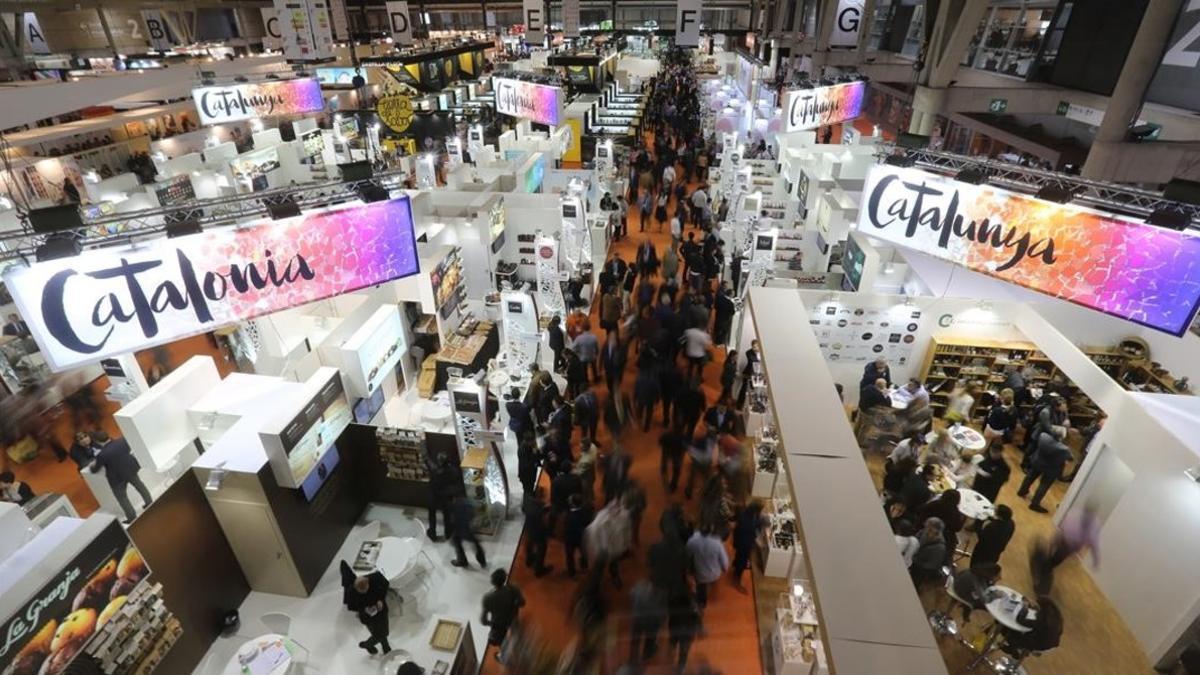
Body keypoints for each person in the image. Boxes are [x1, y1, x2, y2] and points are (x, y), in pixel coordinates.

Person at [1030, 504, 1100, 595]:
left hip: (1066, 546)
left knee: (1052, 561)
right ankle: (1041, 577)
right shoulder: (1081, 518)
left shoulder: (1088, 522)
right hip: (1064, 543)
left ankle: (1041, 573)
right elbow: (1093, 543)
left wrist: (1096, 560)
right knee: (1051, 562)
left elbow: (1093, 543)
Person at [89, 432, 153, 524]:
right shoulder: (122, 441)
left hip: (116, 478)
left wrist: (92, 466)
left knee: (122, 498)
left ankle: (132, 517)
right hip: (130, 469)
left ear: (98, 442)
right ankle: (149, 503)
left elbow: (95, 470)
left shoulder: (102, 454)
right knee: (139, 485)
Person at [1018, 427, 1073, 513]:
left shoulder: (1043, 436)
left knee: (1030, 477)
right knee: (1043, 486)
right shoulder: (1064, 449)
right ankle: (1034, 504)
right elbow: (1070, 458)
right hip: (1050, 468)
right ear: (1062, 437)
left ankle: (1022, 491)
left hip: (1038, 462)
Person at [686, 525, 728, 610]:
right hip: (714, 574)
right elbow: (725, 563)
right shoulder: (717, 543)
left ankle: (701, 603)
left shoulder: (692, 540)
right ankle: (711, 588)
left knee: (701, 588)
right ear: (711, 530)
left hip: (700, 575)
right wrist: (724, 568)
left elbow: (687, 555)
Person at [348, 571, 391, 655]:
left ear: (368, 582)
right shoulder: (351, 591)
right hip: (368, 617)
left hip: (381, 611)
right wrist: (363, 609)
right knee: (377, 633)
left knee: (384, 631)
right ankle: (380, 645)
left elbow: (386, 584)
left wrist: (381, 599)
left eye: (365, 590)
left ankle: (369, 644)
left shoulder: (376, 577)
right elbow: (351, 606)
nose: (364, 593)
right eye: (361, 592)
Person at [481, 568, 526, 648]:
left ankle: (503, 654)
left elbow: (483, 621)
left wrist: (493, 625)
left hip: (498, 625)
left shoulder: (487, 598)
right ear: (505, 578)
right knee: (517, 636)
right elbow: (522, 603)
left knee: (502, 643)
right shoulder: (513, 588)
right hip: (512, 618)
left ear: (492, 582)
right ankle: (518, 645)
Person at [629, 578, 667, 663]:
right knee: (650, 639)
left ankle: (633, 658)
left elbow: (631, 595)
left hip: (638, 618)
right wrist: (662, 620)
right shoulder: (661, 592)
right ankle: (646, 655)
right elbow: (663, 609)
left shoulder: (639, 585)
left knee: (635, 640)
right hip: (651, 621)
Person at [731, 500, 765, 591]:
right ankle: (737, 579)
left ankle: (736, 566)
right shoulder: (747, 520)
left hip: (742, 542)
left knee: (740, 557)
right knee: (742, 561)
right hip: (744, 544)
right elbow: (751, 530)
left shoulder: (746, 514)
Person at [427, 454, 460, 541]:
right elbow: (456, 481)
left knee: (432, 515)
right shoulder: (452, 470)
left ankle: (432, 533)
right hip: (445, 496)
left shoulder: (434, 470)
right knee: (446, 514)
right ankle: (448, 532)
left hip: (434, 495)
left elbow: (426, 459)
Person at [523, 488, 554, 577]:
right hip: (538, 531)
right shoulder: (539, 508)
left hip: (528, 527)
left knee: (530, 543)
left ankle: (529, 560)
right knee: (542, 548)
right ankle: (539, 569)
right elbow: (541, 519)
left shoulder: (528, 501)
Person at [450, 495, 487, 568]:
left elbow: (456, 518)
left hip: (463, 526)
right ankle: (482, 560)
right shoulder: (464, 501)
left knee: (456, 540)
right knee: (474, 541)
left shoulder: (456, 503)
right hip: (469, 524)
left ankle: (462, 561)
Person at [910, 517, 947, 585]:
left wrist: (916, 561)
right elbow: (915, 539)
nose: (926, 530)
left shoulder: (940, 548)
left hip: (920, 569)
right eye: (926, 527)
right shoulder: (923, 531)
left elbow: (933, 565)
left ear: (937, 531)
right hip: (913, 560)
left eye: (930, 529)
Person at [563, 493, 592, 578]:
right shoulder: (585, 511)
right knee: (583, 552)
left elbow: (567, 527)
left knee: (570, 556)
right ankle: (584, 566)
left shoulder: (569, 516)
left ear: (572, 504)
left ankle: (572, 573)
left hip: (570, 539)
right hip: (582, 538)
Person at [736, 339, 760, 409]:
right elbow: (753, 361)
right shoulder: (749, 353)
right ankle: (739, 405)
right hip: (748, 374)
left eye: (756, 346)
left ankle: (750, 405)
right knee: (744, 389)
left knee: (753, 390)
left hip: (756, 376)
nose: (754, 348)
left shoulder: (761, 353)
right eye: (753, 347)